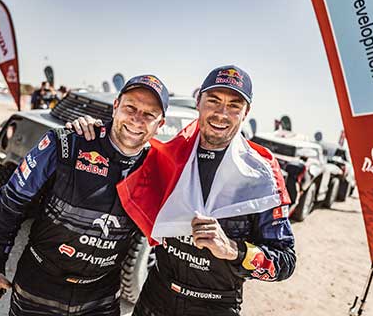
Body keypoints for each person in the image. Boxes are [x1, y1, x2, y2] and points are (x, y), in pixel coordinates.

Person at [72, 65, 296, 316]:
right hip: (155, 298)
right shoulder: (169, 152)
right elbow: (124, 142)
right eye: (213, 101)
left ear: (246, 113)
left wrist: (232, 249)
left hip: (216, 306)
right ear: (198, 101)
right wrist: (91, 131)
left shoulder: (261, 175)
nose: (222, 113)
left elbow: (285, 261)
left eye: (234, 105)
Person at [0, 74, 169, 316]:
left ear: (160, 124)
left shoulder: (158, 168)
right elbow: (10, 203)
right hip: (40, 286)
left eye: (149, 114)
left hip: (101, 297)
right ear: (116, 106)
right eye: (131, 107)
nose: (137, 119)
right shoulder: (67, 143)